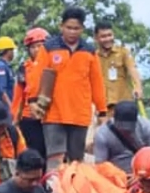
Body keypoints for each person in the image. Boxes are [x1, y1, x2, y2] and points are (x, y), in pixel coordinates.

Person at [32, 5, 108, 169]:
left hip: (79, 114)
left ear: (82, 29)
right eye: (69, 28)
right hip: (54, 113)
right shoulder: (49, 48)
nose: (72, 32)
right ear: (61, 27)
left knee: (76, 161)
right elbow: (37, 76)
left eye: (76, 28)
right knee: (55, 158)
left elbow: (97, 82)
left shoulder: (89, 51)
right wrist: (33, 100)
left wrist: (102, 111)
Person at [93, 100, 150, 174]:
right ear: (114, 119)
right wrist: (119, 176)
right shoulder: (103, 134)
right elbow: (100, 165)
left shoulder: (146, 126)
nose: (125, 131)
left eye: (129, 129)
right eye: (121, 128)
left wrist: (146, 173)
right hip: (117, 175)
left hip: (145, 173)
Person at [12, 27, 49, 163]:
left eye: (40, 46)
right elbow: (18, 96)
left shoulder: (55, 65)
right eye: (33, 47)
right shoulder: (24, 68)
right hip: (30, 118)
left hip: (51, 116)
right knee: (36, 153)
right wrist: (15, 119)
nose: (37, 50)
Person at [94, 20, 143, 116]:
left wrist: (138, 87)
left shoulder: (123, 52)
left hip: (123, 105)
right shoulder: (93, 57)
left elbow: (133, 70)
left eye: (109, 35)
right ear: (96, 38)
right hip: (103, 107)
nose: (107, 39)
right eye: (103, 36)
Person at [0, 36, 17, 109]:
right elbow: (2, 90)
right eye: (12, 49)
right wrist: (11, 108)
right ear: (7, 51)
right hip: (3, 110)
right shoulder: (1, 67)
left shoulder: (7, 67)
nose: (14, 52)